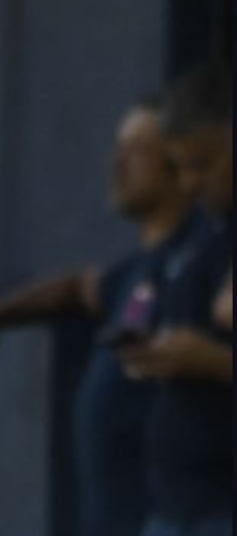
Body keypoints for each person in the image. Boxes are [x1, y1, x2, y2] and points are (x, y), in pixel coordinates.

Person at [0, 97, 194, 536]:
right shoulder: (135, 272)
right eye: (117, 148)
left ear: (181, 160)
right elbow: (74, 287)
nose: (117, 163)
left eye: (137, 150)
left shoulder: (195, 260)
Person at [119, 62, 232, 536]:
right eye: (179, 166)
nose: (189, 183)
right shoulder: (202, 237)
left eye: (203, 164)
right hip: (176, 504)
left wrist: (214, 362)